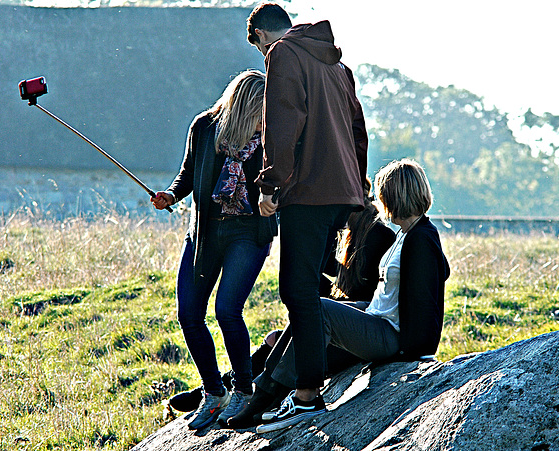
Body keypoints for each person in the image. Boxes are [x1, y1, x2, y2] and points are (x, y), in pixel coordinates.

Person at [233, 158, 450, 433]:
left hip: (391, 335)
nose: (379, 202)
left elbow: (427, 301)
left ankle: (298, 400)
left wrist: (414, 352)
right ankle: (264, 395)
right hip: (376, 316)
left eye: (384, 195)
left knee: (319, 309)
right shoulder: (408, 234)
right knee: (307, 314)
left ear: (395, 195)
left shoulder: (421, 238)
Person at [245, 2, 369, 426]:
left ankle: (307, 394)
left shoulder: (283, 54)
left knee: (297, 293)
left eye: (260, 48)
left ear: (261, 34)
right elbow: (358, 130)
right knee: (312, 290)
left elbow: (283, 123)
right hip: (343, 193)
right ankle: (286, 386)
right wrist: (361, 186)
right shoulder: (338, 67)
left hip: (307, 193)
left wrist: (270, 185)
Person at [150, 70, 278, 429]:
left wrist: (274, 199)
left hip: (249, 233)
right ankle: (213, 392)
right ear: (241, 109)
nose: (263, 121)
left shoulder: (271, 137)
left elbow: (283, 181)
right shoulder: (204, 127)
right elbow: (187, 173)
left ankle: (244, 390)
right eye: (258, 113)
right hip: (204, 233)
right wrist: (171, 196)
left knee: (226, 310)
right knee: (189, 313)